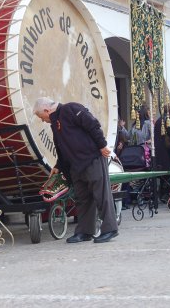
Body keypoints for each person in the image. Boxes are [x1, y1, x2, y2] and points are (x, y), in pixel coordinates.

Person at [33, 97, 118, 244]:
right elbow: (62, 146)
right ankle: (85, 232)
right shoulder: (55, 122)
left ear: (47, 110)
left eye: (41, 117)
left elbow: (92, 125)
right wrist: (59, 166)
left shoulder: (71, 108)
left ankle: (110, 229)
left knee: (101, 195)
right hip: (76, 166)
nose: (42, 120)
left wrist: (102, 145)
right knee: (82, 199)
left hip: (92, 159)